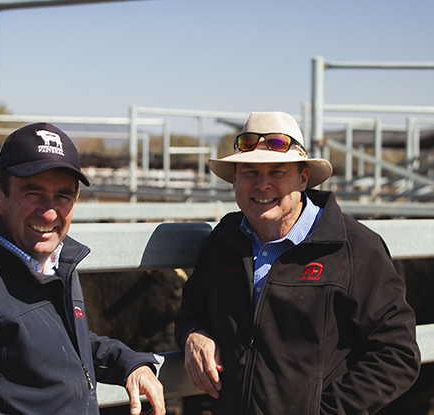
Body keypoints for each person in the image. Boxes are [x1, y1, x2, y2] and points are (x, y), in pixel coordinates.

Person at [0, 123, 165, 415]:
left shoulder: (52, 265)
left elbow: (56, 341)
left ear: (75, 200)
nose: (49, 212)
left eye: (62, 196)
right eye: (33, 193)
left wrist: (126, 363)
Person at [175, 111, 420, 415]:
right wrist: (194, 335)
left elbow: (397, 354)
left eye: (278, 171)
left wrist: (326, 411)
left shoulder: (354, 249)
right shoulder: (223, 242)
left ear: (303, 178)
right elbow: (191, 313)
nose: (262, 185)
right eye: (250, 171)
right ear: (235, 179)